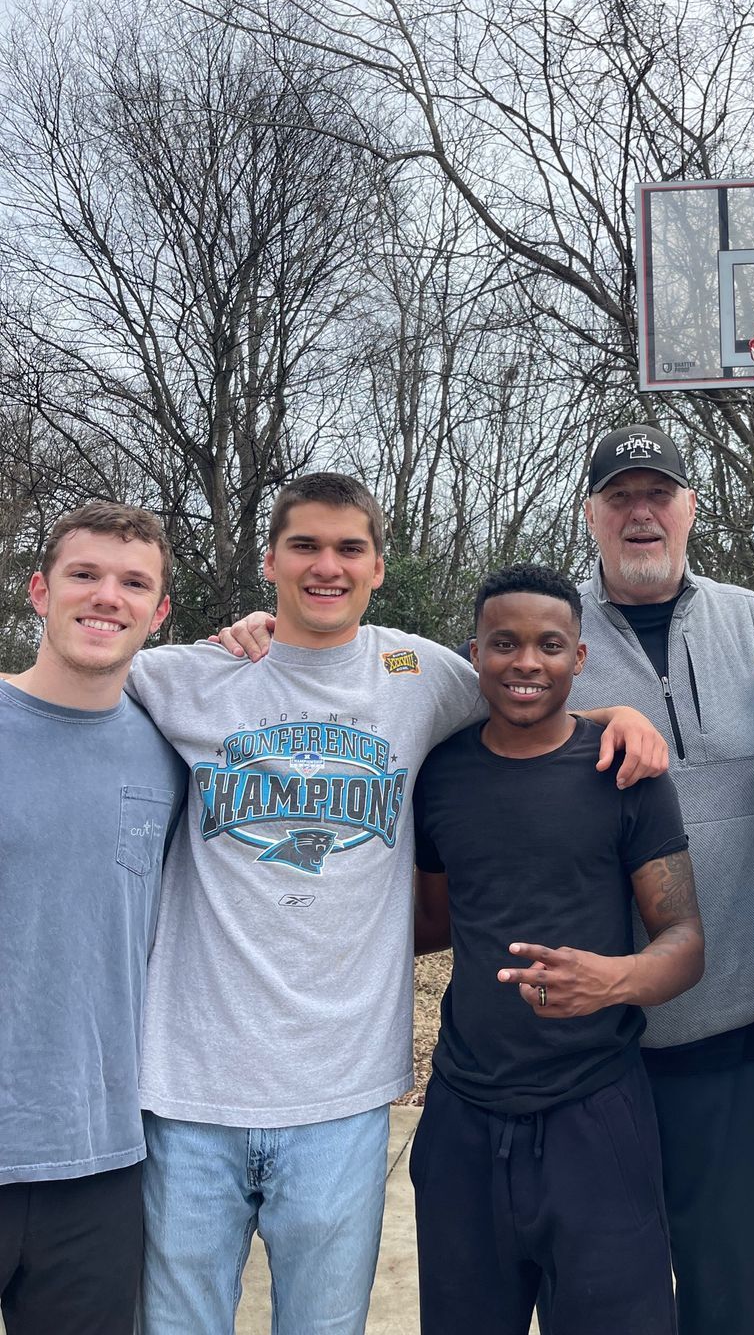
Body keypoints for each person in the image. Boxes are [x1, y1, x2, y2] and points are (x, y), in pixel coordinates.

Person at [130, 472, 667, 1335]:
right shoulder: (181, 679)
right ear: (270, 559)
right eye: (305, 546)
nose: (327, 566)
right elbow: (54, 690)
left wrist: (621, 715)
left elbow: (526, 690)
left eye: (349, 548)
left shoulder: (416, 673)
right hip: (190, 1088)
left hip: (344, 1092)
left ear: (378, 566)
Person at [411, 564, 704, 1334]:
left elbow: (685, 943)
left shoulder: (624, 772)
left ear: (578, 657)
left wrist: (614, 980)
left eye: (548, 645)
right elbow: (430, 922)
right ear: (475, 653)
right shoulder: (438, 774)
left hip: (595, 1116)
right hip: (464, 1121)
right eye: (504, 643)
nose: (526, 662)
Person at [566, 423, 754, 1335]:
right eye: (620, 496)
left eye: (658, 493)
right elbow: (470, 716)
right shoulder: (546, 630)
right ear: (591, 515)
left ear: (690, 507)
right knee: (613, 1305)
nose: (641, 512)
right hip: (598, 1047)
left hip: (741, 1033)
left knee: (738, 1298)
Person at [0, 503, 186, 1335]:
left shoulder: (172, 752)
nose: (108, 597)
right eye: (84, 574)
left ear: (160, 612)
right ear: (40, 591)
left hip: (100, 1158)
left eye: (134, 583)